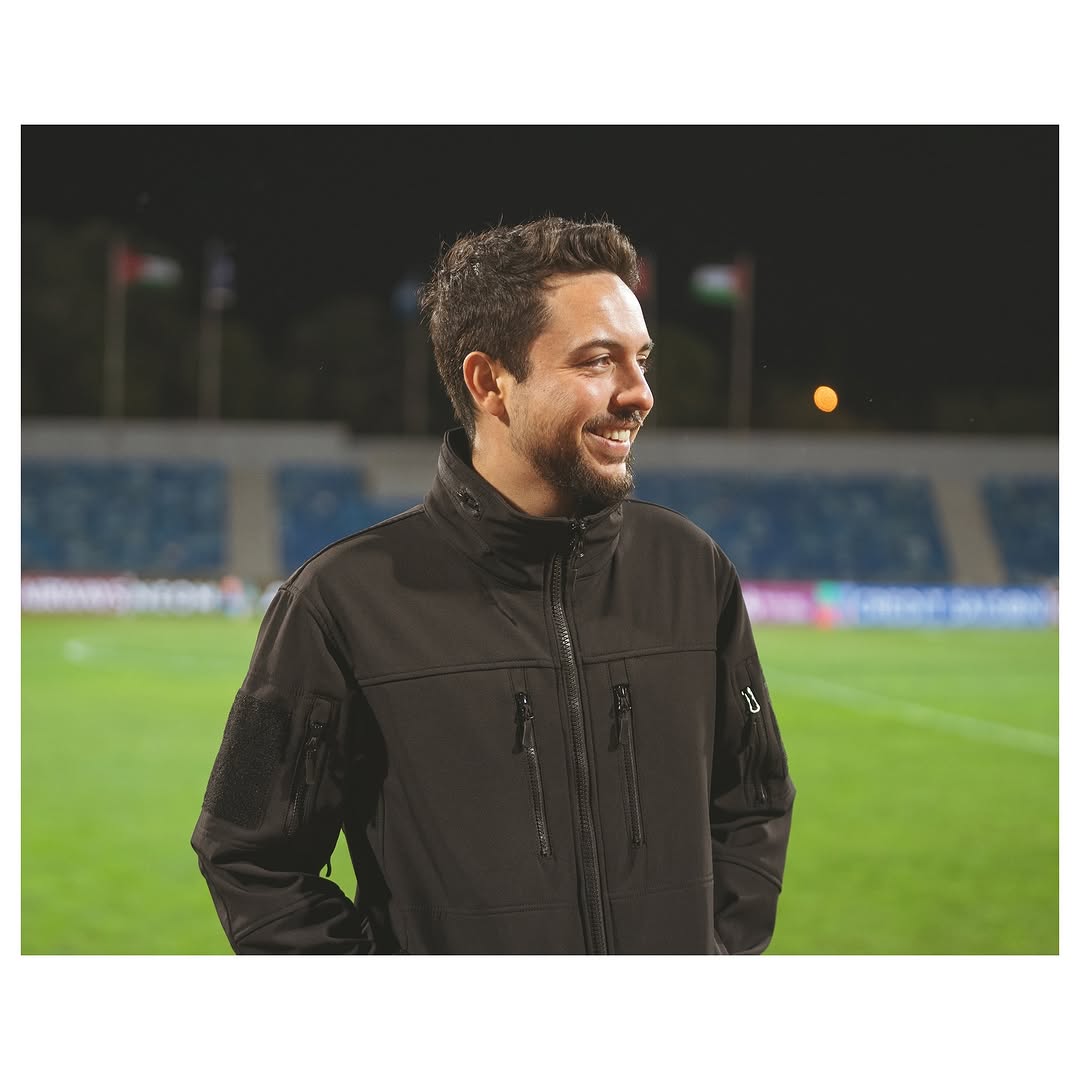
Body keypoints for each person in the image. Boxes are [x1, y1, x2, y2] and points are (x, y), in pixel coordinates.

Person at [191, 216, 795, 954]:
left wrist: (717, 954)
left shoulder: (693, 571)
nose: (640, 394)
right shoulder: (336, 604)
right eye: (598, 361)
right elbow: (248, 854)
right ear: (490, 382)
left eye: (641, 360)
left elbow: (756, 796)